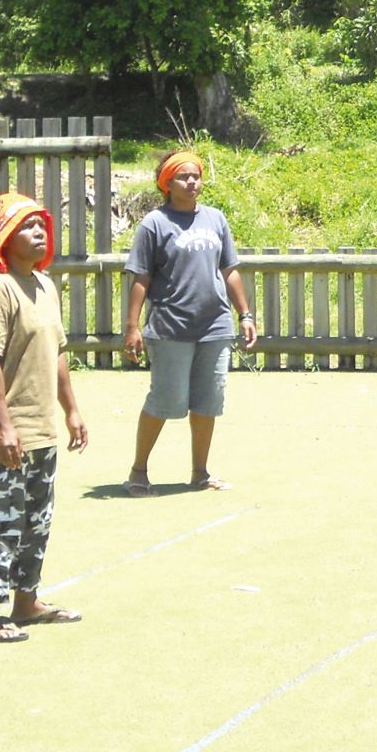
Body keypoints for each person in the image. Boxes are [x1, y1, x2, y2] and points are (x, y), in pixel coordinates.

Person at [0, 193, 88, 643]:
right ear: (5, 237)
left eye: (42, 224)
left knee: (35, 519)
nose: (39, 232)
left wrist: (71, 409)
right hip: (0, 433)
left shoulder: (44, 285)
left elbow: (58, 353)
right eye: (28, 226)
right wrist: (3, 424)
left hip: (40, 428)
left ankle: (26, 601)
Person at [122, 149, 258, 495]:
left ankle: (200, 472)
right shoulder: (155, 223)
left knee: (207, 401)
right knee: (166, 400)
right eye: (183, 176)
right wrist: (132, 326)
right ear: (167, 183)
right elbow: (141, 277)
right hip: (170, 328)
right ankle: (138, 471)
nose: (192, 181)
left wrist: (245, 314)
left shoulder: (215, 219)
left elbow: (230, 270)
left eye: (196, 175)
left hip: (214, 326)